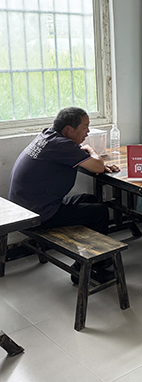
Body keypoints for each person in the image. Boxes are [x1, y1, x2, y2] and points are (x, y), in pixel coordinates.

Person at [8, 107, 120, 283]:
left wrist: (95, 163)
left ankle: (86, 258)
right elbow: (97, 166)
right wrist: (91, 150)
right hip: (36, 214)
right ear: (69, 129)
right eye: (85, 127)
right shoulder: (63, 145)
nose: (88, 131)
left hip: (27, 206)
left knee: (90, 200)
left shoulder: (48, 136)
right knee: (99, 212)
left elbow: (93, 165)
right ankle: (95, 268)